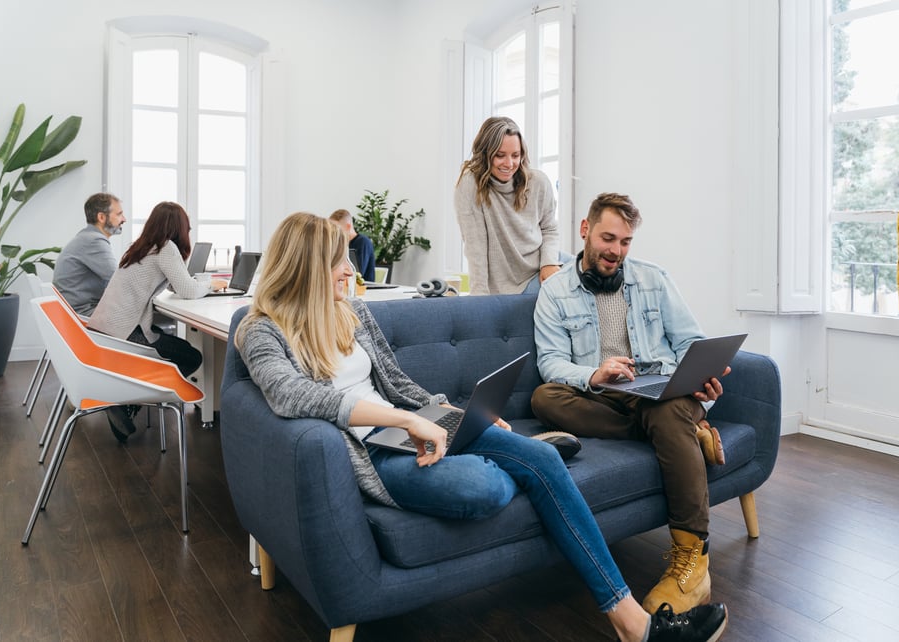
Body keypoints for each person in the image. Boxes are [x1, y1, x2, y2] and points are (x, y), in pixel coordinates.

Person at [234, 212, 728, 642]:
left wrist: (449, 413)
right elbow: (294, 395)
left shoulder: (349, 311)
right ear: (306, 268)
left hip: (417, 426)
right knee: (485, 485)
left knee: (545, 460)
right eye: (339, 261)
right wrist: (406, 420)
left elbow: (397, 381)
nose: (350, 269)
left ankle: (631, 624)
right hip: (376, 451)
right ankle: (508, 455)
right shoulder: (260, 329)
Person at [531, 192, 729, 615]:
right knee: (544, 398)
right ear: (585, 230)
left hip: (664, 392)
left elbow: (691, 340)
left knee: (667, 410)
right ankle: (686, 436)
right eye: (608, 238)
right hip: (606, 397)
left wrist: (700, 377)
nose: (616, 251)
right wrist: (594, 374)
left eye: (625, 242)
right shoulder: (555, 291)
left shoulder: (654, 279)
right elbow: (549, 364)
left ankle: (694, 563)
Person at [89, 201, 227, 442]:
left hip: (104, 332)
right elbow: (187, 290)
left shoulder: (141, 248)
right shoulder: (166, 248)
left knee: (174, 345)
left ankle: (128, 400)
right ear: (179, 228)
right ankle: (132, 397)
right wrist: (209, 285)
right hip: (126, 334)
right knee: (191, 357)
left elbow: (176, 284)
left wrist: (189, 280)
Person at [454, 116, 564, 295]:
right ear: (485, 154)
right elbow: (476, 249)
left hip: (542, 268)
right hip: (510, 286)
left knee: (597, 272)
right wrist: (479, 302)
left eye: (515, 155)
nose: (509, 164)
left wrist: (549, 263)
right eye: (500, 155)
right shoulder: (470, 185)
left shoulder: (539, 182)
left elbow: (550, 229)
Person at [53, 192, 126, 315]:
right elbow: (119, 280)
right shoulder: (94, 241)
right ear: (101, 217)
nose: (124, 219)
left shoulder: (86, 237)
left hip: (75, 313)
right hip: (84, 316)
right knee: (155, 331)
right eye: (119, 214)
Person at [330, 208, 376, 282]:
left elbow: (357, 273)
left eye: (337, 228)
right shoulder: (340, 243)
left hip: (363, 289)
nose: (333, 232)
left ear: (348, 227)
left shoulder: (363, 242)